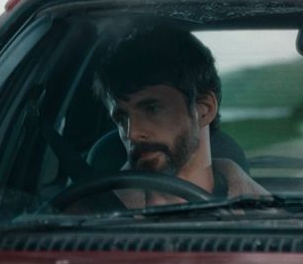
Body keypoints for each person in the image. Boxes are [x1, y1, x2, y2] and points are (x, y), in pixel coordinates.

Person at [92, 25, 267, 207]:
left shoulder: (266, 222)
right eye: (122, 119)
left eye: (152, 109)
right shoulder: (86, 220)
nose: (132, 133)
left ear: (204, 109)